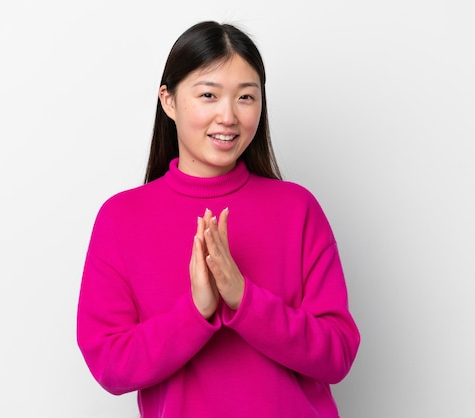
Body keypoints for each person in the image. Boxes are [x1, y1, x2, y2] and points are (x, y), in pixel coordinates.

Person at [77, 20, 360, 417]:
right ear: (169, 100)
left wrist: (244, 299)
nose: (228, 116)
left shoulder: (298, 209)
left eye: (246, 97)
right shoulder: (121, 219)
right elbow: (110, 364)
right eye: (209, 94)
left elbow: (338, 353)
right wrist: (196, 313)